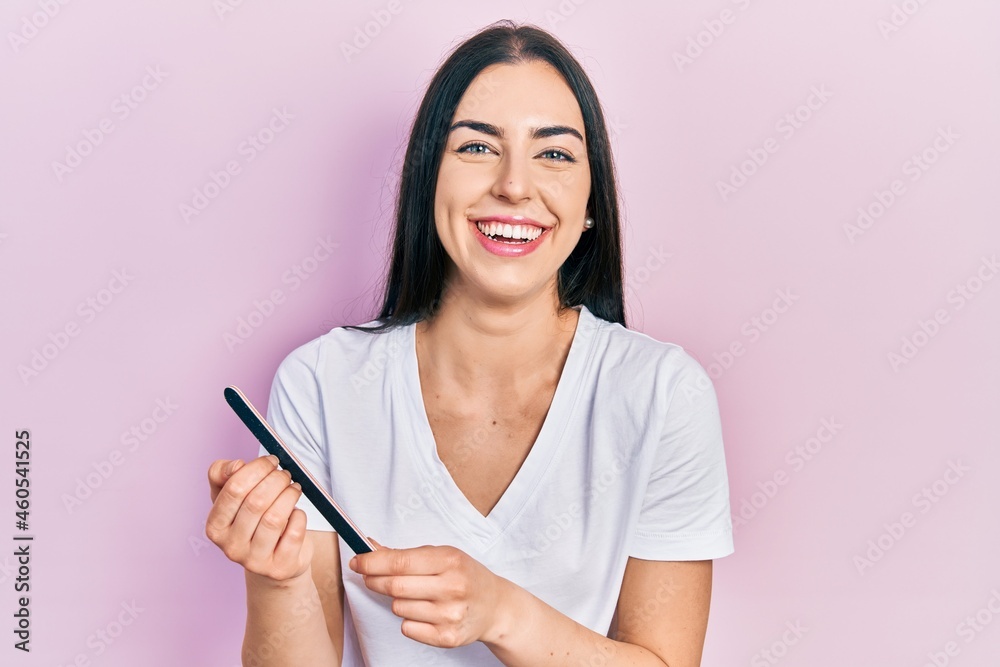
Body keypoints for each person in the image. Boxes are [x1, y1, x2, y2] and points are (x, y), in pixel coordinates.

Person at [205, 19, 734, 667]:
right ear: (429, 179)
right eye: (478, 147)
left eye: (555, 154)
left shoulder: (663, 395)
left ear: (592, 203)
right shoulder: (321, 382)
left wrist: (502, 612)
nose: (514, 185)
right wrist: (277, 578)